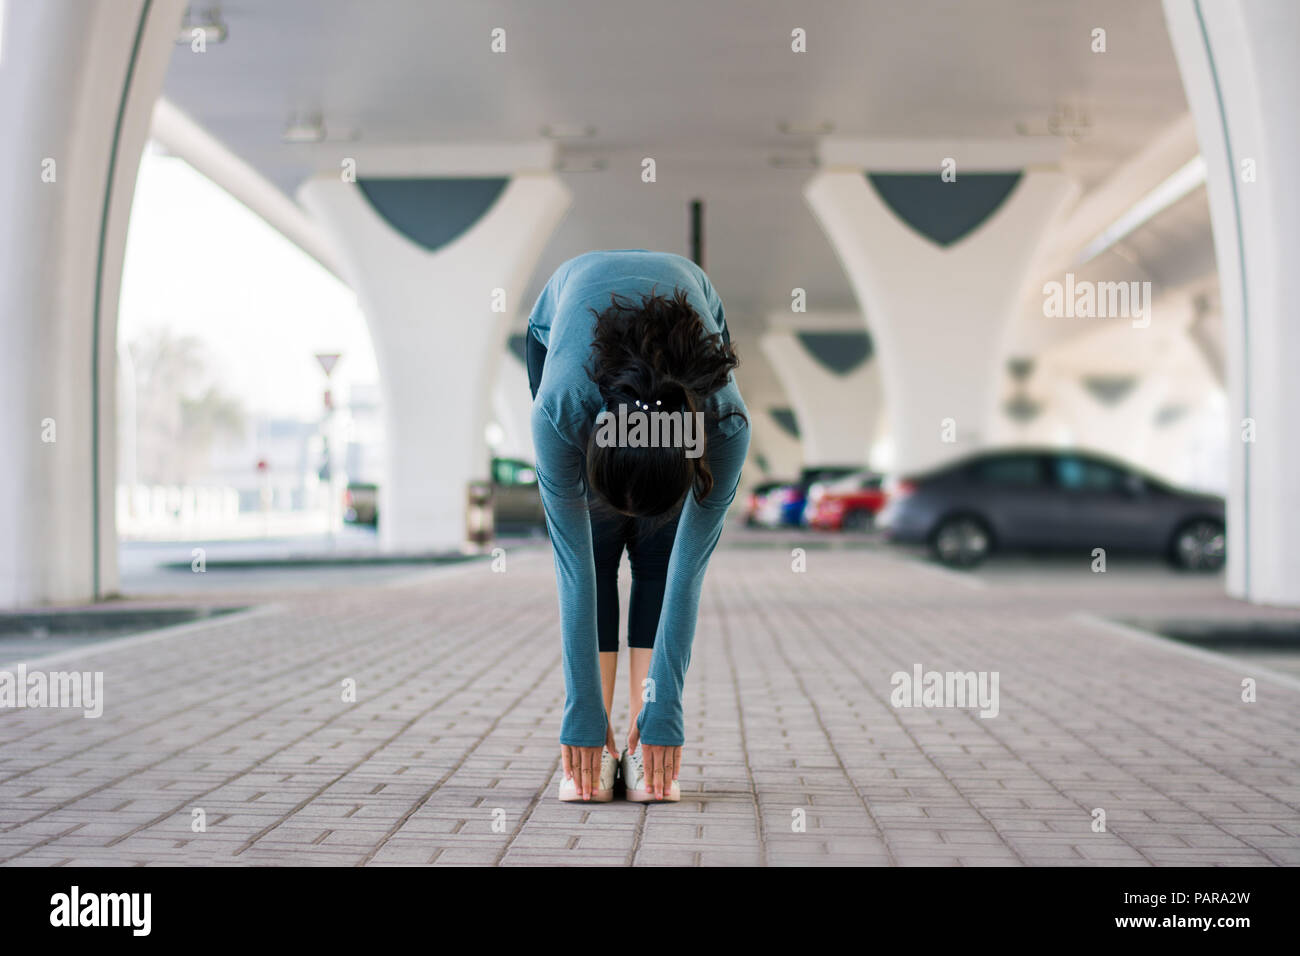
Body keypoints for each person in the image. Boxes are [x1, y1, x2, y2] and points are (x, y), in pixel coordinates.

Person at [526, 249, 749, 803]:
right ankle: (594, 751)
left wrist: (666, 710)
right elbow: (570, 566)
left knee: (660, 553)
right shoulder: (560, 408)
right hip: (561, 323)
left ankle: (645, 749)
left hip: (672, 392)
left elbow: (686, 572)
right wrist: (580, 708)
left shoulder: (722, 426)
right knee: (595, 555)